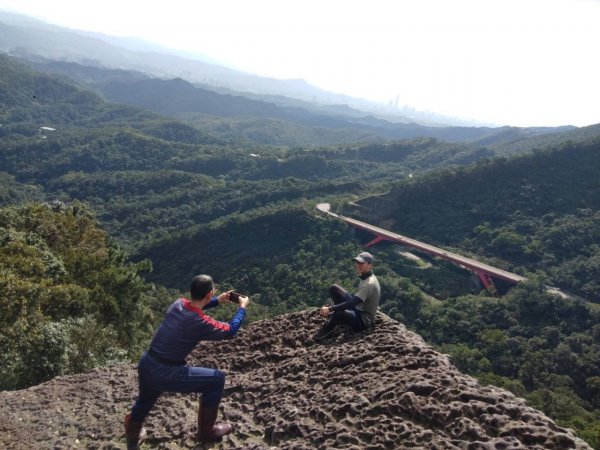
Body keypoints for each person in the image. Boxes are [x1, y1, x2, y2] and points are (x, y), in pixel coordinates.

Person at [124, 274, 250, 449]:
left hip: (147, 363)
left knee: (145, 400)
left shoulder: (178, 304)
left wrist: (217, 301)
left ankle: (132, 438)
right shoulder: (199, 321)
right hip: (167, 372)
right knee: (216, 380)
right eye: (211, 294)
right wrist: (242, 308)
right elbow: (230, 330)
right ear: (209, 293)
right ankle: (206, 432)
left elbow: (195, 306)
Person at [314, 251, 381, 341]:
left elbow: (353, 303)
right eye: (357, 262)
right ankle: (338, 318)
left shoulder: (368, 283)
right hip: (357, 309)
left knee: (339, 311)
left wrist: (330, 309)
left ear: (370, 265)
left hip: (362, 320)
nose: (357, 265)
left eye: (361, 263)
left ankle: (329, 328)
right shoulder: (366, 277)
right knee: (334, 288)